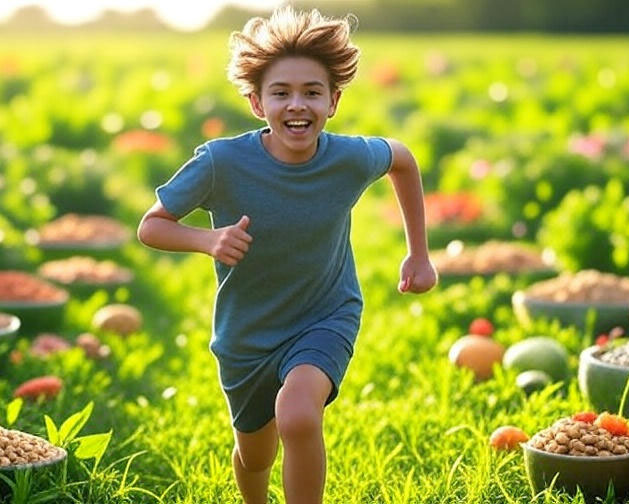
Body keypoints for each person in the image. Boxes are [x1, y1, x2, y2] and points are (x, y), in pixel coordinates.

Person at [137, 6, 437, 504]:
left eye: (312, 92)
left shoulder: (348, 158)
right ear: (257, 103)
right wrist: (208, 240)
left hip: (326, 314)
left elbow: (402, 159)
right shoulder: (222, 162)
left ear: (334, 101)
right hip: (245, 335)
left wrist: (419, 255)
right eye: (281, 93)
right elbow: (151, 225)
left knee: (298, 415)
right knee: (255, 455)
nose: (297, 105)